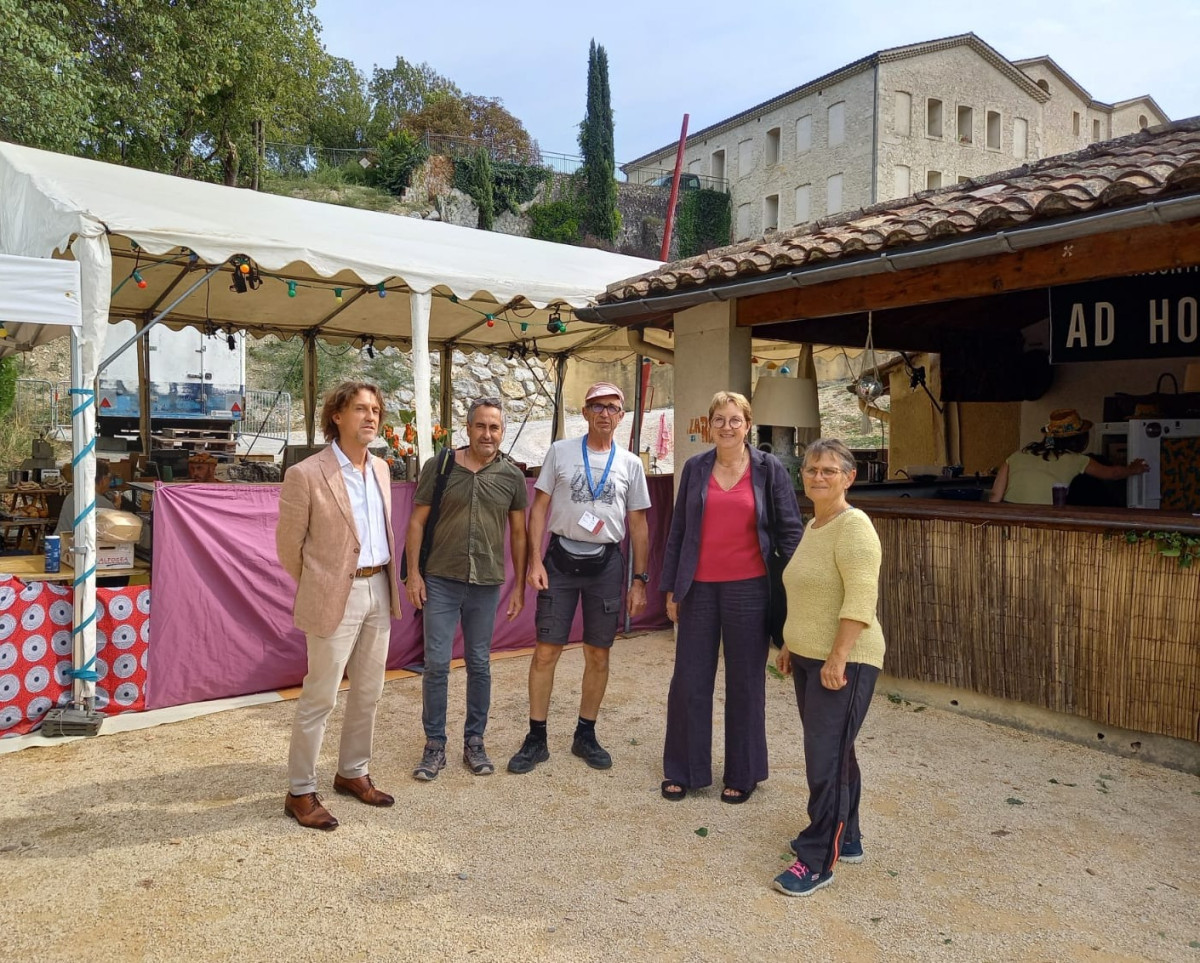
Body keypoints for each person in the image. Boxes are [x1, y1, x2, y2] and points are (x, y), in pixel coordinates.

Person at [659, 390, 803, 803]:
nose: (726, 426)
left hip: (750, 589)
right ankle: (683, 770)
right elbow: (679, 531)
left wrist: (797, 584)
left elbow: (790, 530)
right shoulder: (694, 468)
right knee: (689, 681)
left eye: (734, 419)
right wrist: (672, 586)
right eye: (718, 419)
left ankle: (743, 772)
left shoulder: (768, 469)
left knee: (745, 683)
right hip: (698, 588)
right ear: (709, 425)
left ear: (748, 424)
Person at [276, 381, 402, 831]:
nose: (371, 417)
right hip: (334, 594)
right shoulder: (307, 473)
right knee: (320, 696)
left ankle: (352, 772)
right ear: (337, 416)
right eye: (361, 409)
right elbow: (288, 546)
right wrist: (323, 584)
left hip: (379, 589)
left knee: (369, 691)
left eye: (376, 409)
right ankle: (300, 790)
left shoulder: (383, 469)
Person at [507, 382, 651, 774]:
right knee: (546, 650)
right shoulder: (561, 452)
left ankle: (585, 733)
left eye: (612, 407)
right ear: (585, 413)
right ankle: (536, 736)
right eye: (597, 406)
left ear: (622, 416)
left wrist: (640, 579)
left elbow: (638, 523)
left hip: (606, 564)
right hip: (560, 561)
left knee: (598, 652)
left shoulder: (631, 464)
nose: (605, 413)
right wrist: (536, 561)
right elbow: (539, 509)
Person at [771, 438, 884, 898]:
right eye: (812, 469)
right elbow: (806, 593)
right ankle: (848, 836)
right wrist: (790, 646)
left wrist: (838, 656)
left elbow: (860, 598)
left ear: (849, 477)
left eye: (830, 470)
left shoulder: (854, 527)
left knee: (825, 759)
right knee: (837, 752)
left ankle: (817, 860)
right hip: (808, 657)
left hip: (846, 659)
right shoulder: (816, 525)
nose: (819, 476)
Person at [405, 398, 529, 780]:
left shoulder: (512, 476)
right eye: (480, 426)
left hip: (485, 583)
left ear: (502, 432)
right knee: (437, 665)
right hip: (441, 579)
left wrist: (520, 587)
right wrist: (414, 574)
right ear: (468, 427)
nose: (487, 434)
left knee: (479, 665)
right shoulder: (440, 467)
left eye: (494, 427)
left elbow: (520, 534)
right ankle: (434, 746)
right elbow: (416, 523)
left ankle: (475, 742)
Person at [989, 408, 1148, 504]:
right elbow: (1112, 473)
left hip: (1013, 524)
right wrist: (1134, 469)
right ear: (1079, 439)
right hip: (1049, 524)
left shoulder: (1016, 456)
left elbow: (995, 497)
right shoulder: (1077, 460)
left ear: (1048, 437)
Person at [55, 458, 118, 534]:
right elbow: (114, 530)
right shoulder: (104, 504)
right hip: (74, 543)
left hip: (60, 542)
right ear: (103, 479)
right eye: (109, 478)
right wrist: (116, 508)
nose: (110, 482)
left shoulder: (72, 495)